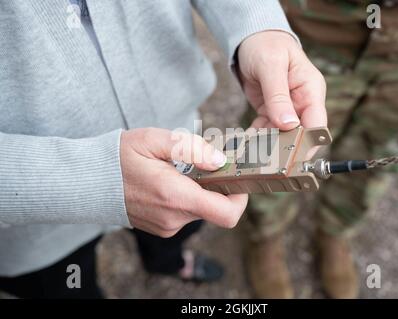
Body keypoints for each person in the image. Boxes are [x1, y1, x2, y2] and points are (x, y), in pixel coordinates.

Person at [0, 1, 327, 298]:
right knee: (65, 288)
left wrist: (258, 26)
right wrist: (96, 183)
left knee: (176, 228)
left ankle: (169, 262)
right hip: (34, 225)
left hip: (179, 145)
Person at [242, 0, 398, 299]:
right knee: (276, 152)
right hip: (318, 34)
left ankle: (336, 230)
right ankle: (265, 233)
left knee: (377, 156)